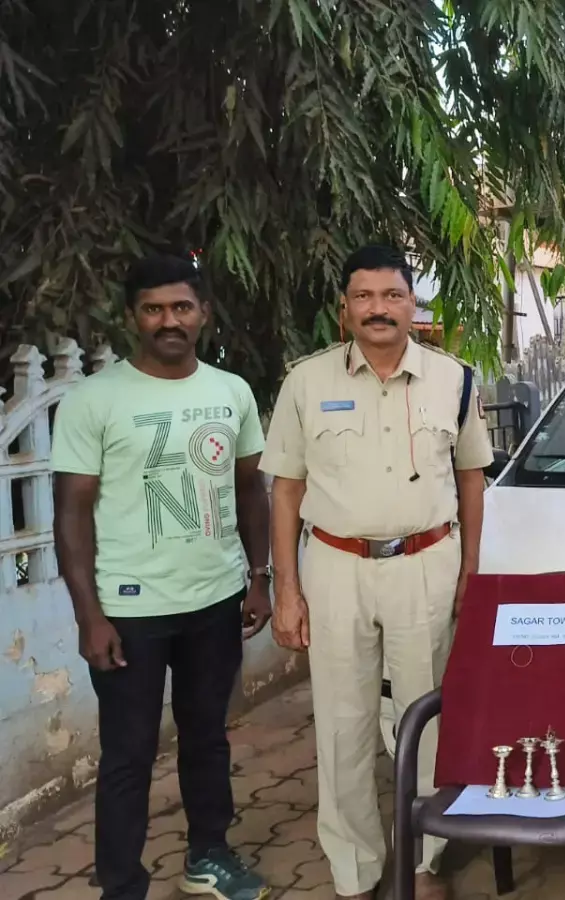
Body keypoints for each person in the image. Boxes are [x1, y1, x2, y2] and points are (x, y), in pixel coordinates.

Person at [259, 245, 493, 900]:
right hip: (336, 566)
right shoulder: (307, 383)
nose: (378, 309)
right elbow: (285, 491)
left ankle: (423, 862)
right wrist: (287, 589)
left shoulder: (454, 380)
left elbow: (472, 479)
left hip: (426, 563)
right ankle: (355, 870)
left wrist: (471, 570)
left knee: (427, 714)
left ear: (413, 305)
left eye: (392, 295)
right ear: (344, 309)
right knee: (343, 723)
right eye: (363, 297)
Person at [52, 254, 272, 900]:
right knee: (128, 754)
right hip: (129, 611)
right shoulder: (94, 400)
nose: (168, 320)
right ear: (132, 317)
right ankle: (122, 885)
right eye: (153, 309)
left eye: (181, 307)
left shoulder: (231, 392)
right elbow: (71, 513)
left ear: (203, 313)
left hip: (215, 599)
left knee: (207, 738)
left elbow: (250, 490)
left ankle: (209, 857)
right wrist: (89, 615)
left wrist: (259, 578)